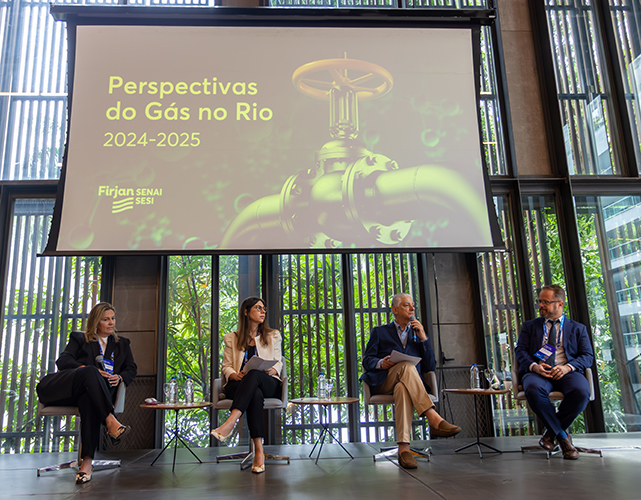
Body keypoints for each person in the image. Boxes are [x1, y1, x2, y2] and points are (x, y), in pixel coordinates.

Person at [36, 302, 137, 483]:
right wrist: (85, 369)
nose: (111, 323)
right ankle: (111, 422)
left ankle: (87, 463)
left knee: (89, 399)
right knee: (90, 371)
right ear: (95, 322)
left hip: (96, 395)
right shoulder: (80, 339)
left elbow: (131, 368)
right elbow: (64, 361)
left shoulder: (122, 345)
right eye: (105, 319)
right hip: (68, 389)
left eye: (112, 318)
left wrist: (120, 377)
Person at [361, 293, 461, 469]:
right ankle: (432, 417)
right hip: (385, 381)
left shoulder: (418, 334)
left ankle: (404, 449)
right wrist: (381, 363)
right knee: (407, 366)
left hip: (407, 384)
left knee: (402, 387)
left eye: (413, 305)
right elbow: (367, 360)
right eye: (407, 305)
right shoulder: (380, 332)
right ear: (395, 309)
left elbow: (430, 366)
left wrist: (424, 338)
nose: (412, 308)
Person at [515, 284, 594, 459]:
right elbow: (520, 351)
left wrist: (567, 367)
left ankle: (551, 434)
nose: (541, 305)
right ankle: (564, 439)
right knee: (533, 390)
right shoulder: (530, 326)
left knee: (581, 392)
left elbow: (588, 356)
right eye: (539, 302)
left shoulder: (577, 328)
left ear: (560, 304)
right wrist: (534, 366)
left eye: (545, 302)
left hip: (567, 372)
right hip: (538, 372)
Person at [210, 296, 283, 474]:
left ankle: (230, 422)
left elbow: (279, 362)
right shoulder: (231, 338)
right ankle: (259, 450)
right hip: (240, 384)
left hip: (267, 381)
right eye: (258, 308)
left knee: (255, 375)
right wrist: (234, 374)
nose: (263, 311)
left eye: (264, 308)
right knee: (254, 393)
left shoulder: (273, 335)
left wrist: (272, 370)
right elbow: (226, 366)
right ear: (246, 312)